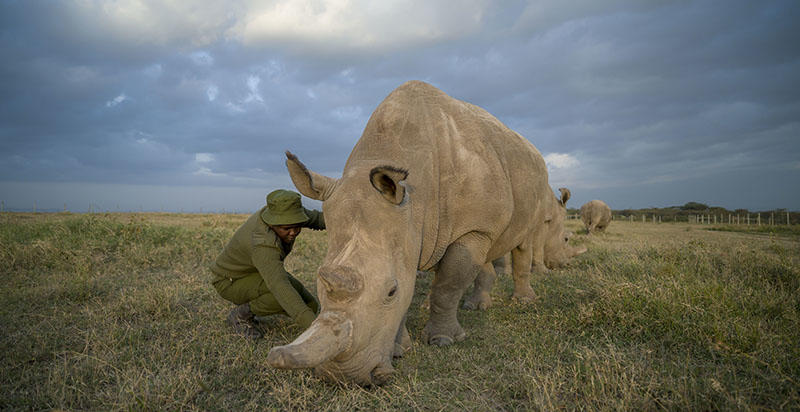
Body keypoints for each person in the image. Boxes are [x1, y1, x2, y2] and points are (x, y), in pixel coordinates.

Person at [210, 189, 325, 339]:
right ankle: (240, 315)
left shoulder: (286, 213)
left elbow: (320, 219)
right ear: (272, 223)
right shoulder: (263, 244)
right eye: (286, 229)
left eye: (298, 226)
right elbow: (280, 287)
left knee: (311, 305)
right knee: (281, 296)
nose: (293, 232)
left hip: (255, 272)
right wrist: (317, 330)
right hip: (229, 281)